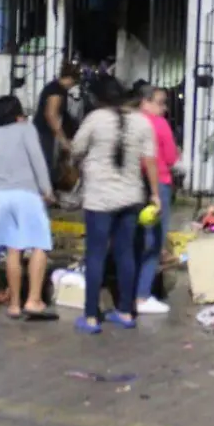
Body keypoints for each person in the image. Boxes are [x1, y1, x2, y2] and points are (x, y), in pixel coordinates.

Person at [69, 76, 162, 334]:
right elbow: (150, 160)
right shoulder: (142, 122)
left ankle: (90, 316)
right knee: (126, 254)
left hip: (99, 200)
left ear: (98, 98)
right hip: (131, 197)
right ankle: (125, 311)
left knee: (96, 255)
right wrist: (154, 195)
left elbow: (76, 149)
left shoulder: (95, 119)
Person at [0, 94, 58, 321]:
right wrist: (47, 190)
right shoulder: (26, 129)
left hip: (2, 198)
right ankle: (33, 300)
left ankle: (15, 304)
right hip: (26, 194)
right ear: (18, 114)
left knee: (13, 250)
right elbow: (37, 159)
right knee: (40, 245)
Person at [134, 84, 180, 315]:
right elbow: (171, 156)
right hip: (158, 183)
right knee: (154, 242)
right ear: (147, 101)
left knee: (135, 238)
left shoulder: (132, 121)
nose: (164, 108)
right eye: (160, 103)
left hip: (132, 184)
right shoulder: (159, 124)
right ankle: (142, 296)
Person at [33, 62, 81, 174]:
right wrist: (62, 140)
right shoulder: (56, 90)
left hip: (44, 133)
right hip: (43, 133)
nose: (72, 86)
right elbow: (51, 115)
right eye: (73, 82)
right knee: (45, 166)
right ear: (70, 78)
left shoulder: (56, 88)